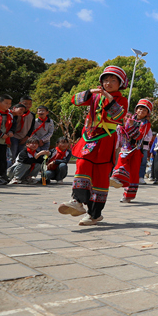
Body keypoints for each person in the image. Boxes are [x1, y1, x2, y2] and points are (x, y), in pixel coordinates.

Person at [57, 66, 128, 225]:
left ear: (120, 83)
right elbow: (74, 100)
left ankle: (94, 214)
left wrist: (110, 99)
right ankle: (77, 201)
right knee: (82, 163)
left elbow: (118, 115)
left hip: (106, 138)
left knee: (100, 177)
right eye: (105, 80)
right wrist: (89, 91)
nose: (108, 83)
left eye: (113, 80)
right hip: (89, 137)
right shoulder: (94, 96)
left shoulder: (121, 100)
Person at [110, 99, 153, 203]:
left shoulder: (146, 124)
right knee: (121, 160)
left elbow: (139, 136)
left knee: (134, 173)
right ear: (136, 109)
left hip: (136, 149)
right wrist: (122, 125)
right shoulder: (128, 118)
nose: (141, 111)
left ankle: (128, 196)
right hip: (126, 147)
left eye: (144, 110)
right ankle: (117, 178)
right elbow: (121, 129)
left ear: (147, 113)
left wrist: (130, 126)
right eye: (140, 108)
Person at [9, 96, 34, 160]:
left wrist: (26, 138)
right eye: (25, 103)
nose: (28, 105)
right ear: (20, 103)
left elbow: (31, 127)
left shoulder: (32, 115)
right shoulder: (16, 114)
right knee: (12, 155)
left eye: (30, 103)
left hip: (24, 138)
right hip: (13, 137)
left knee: (20, 156)